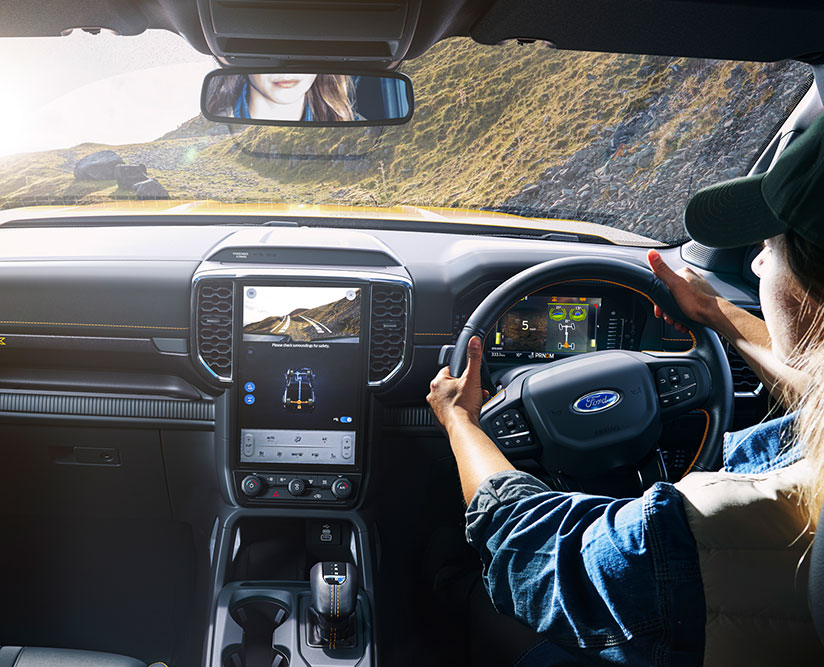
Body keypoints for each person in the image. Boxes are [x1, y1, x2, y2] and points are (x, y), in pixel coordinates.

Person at [427, 112, 824, 666]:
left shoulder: (718, 529)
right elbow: (818, 387)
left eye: (773, 247)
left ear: (813, 295)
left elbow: (533, 555)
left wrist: (461, 423)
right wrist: (714, 312)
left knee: (481, 601)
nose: (756, 260)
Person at [205, 73, 358, 122]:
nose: (288, 68)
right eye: (267, 48)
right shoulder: (209, 135)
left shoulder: (358, 131)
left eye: (305, 47)